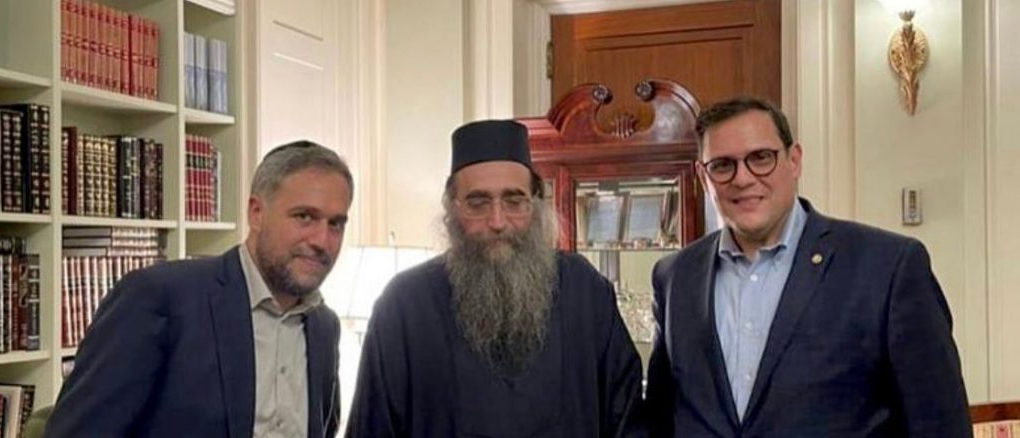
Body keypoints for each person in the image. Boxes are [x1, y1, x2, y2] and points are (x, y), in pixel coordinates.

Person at [644, 97, 971, 437]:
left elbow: (940, 422)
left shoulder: (887, 267)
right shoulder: (674, 277)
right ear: (702, 176)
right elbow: (660, 419)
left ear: (794, 160)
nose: (742, 178)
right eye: (723, 165)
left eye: (761, 158)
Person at [345, 120, 644, 437]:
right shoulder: (404, 305)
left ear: (535, 205)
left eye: (514, 201)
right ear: (452, 210)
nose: (498, 221)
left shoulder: (584, 290)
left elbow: (627, 419)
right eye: (478, 203)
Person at [45, 140, 352, 438]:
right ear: (256, 213)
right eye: (304, 217)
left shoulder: (324, 328)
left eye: (335, 224)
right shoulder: (158, 298)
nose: (322, 241)